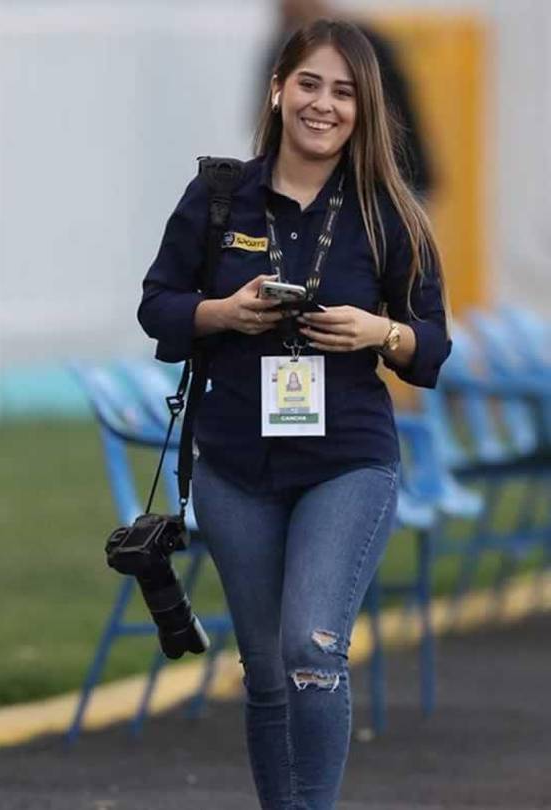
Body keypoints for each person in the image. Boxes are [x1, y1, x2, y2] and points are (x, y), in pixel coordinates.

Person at [137, 19, 450, 810]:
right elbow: (157, 307)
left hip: (347, 458)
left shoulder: (390, 213)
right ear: (278, 89)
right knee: (267, 671)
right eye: (309, 83)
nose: (324, 104)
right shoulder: (217, 196)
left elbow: (433, 347)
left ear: (364, 109)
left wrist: (382, 331)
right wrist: (222, 314)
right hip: (235, 465)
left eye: (344, 92)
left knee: (312, 648)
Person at [265, 0, 435, 199]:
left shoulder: (367, 46)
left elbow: (397, 117)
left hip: (388, 181)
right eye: (308, 86)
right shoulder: (283, 48)